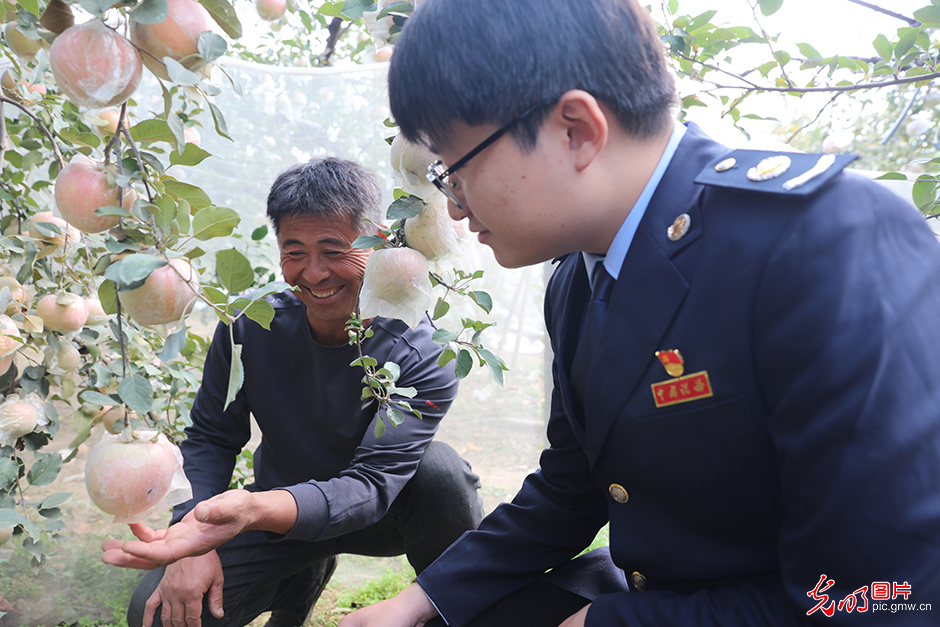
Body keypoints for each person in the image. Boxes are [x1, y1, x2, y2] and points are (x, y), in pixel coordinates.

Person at [331, 0, 940, 626]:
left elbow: (889, 594)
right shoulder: (575, 282)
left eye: (454, 170)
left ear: (576, 130)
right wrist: (417, 601)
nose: (453, 208)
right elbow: (574, 486)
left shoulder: (821, 242)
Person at [102, 157, 483, 627]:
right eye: (295, 251)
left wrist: (253, 509)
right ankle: (301, 574)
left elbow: (372, 483)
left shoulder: (422, 349)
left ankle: (455, 605)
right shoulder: (251, 325)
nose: (315, 273)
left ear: (376, 240)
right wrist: (191, 532)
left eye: (334, 249)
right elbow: (212, 436)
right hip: (280, 515)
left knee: (441, 473)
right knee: (156, 614)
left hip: (384, 516)